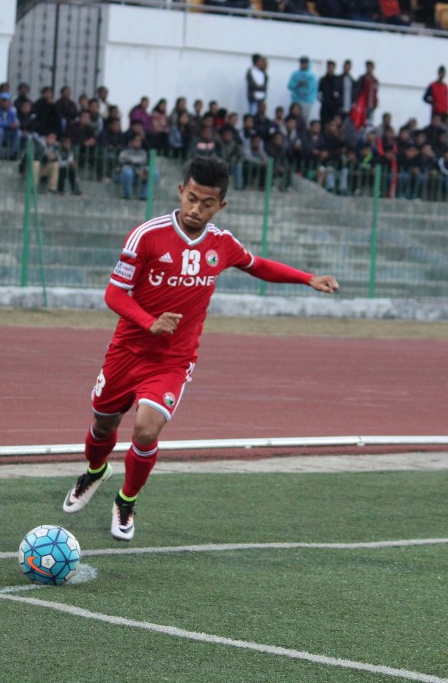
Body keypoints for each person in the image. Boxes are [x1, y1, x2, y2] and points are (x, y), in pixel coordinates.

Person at [60, 156, 339, 540]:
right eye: (191, 199)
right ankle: (95, 471)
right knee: (102, 424)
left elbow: (257, 264)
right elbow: (114, 293)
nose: (196, 209)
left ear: (220, 205)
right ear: (180, 191)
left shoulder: (222, 244)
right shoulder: (146, 236)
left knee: (145, 431)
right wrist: (149, 322)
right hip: (127, 351)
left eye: (207, 203)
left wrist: (307, 278)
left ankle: (126, 499)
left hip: (173, 361)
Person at [287, 56, 317, 124]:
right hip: (296, 100)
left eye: (305, 63)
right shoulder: (295, 74)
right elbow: (290, 86)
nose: (303, 65)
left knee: (303, 120)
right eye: (302, 63)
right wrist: (297, 84)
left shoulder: (311, 76)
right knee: (293, 119)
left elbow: (311, 90)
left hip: (306, 101)